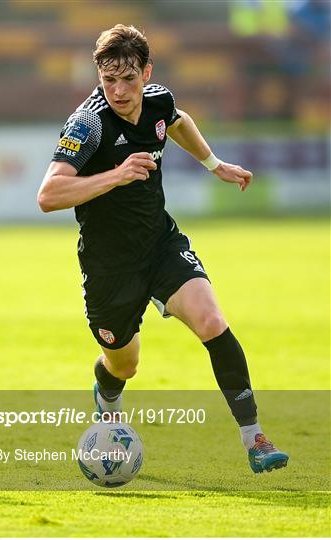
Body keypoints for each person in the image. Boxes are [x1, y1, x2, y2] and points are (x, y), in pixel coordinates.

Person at [38, 24, 289, 474]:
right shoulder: (88, 123)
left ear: (146, 72)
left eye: (128, 78)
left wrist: (214, 164)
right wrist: (116, 174)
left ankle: (255, 439)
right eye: (108, 79)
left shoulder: (158, 99)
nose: (118, 89)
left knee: (212, 321)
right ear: (99, 77)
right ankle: (107, 394)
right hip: (108, 265)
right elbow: (49, 195)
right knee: (125, 363)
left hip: (160, 243)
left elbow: (177, 121)